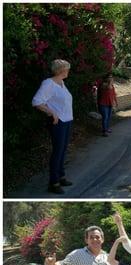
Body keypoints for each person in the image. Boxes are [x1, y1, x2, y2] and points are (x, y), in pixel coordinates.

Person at [32, 59, 74, 194]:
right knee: (57, 151)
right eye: (67, 68)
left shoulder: (62, 83)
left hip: (67, 121)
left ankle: (61, 177)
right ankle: (53, 183)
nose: (68, 71)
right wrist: (52, 113)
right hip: (58, 123)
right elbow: (37, 101)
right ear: (61, 70)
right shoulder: (49, 83)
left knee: (63, 150)